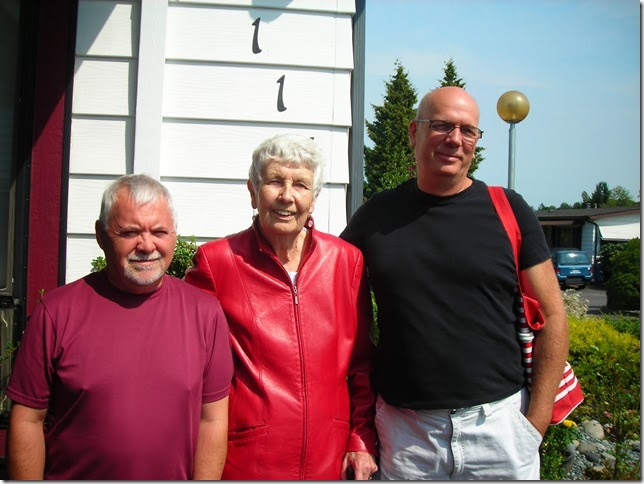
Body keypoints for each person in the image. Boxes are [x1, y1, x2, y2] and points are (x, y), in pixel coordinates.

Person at [340, 86, 568, 480]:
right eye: (442, 125)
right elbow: (326, 286)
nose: (455, 139)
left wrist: (534, 424)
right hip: (407, 437)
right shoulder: (376, 215)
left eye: (468, 130)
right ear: (414, 132)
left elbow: (553, 315)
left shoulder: (508, 209)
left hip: (499, 431)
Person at [6, 174, 233, 480]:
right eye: (129, 232)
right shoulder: (56, 312)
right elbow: (27, 420)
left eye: (159, 232)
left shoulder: (205, 313)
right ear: (101, 235)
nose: (147, 245)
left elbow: (212, 420)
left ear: (174, 235)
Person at [184, 133, 378, 480]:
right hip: (248, 462)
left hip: (329, 461)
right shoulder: (217, 263)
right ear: (253, 191)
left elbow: (361, 363)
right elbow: (191, 370)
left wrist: (360, 440)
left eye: (300, 185)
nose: (287, 196)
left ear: (313, 199)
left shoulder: (346, 262)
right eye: (275, 181)